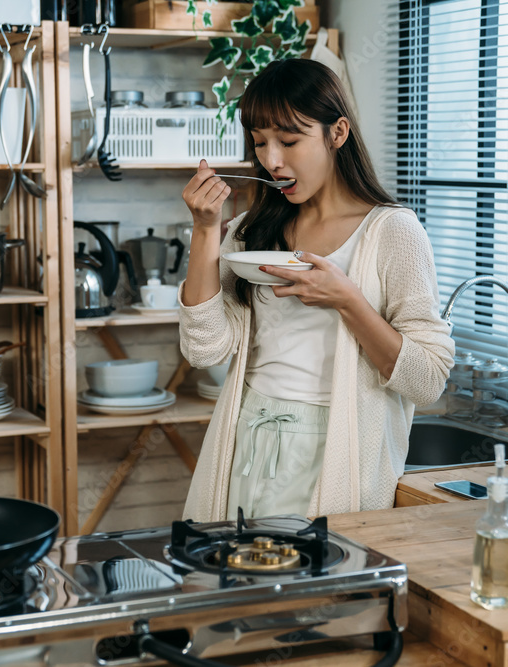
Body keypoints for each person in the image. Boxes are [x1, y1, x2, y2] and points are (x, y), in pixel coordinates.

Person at [178, 59, 455, 521]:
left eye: (288, 141)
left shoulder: (391, 232)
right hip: (248, 437)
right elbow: (203, 349)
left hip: (338, 449)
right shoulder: (251, 231)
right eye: (259, 142)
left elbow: (427, 379)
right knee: (241, 584)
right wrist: (205, 229)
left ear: (337, 132)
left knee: (316, 588)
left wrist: (346, 298)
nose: (271, 160)